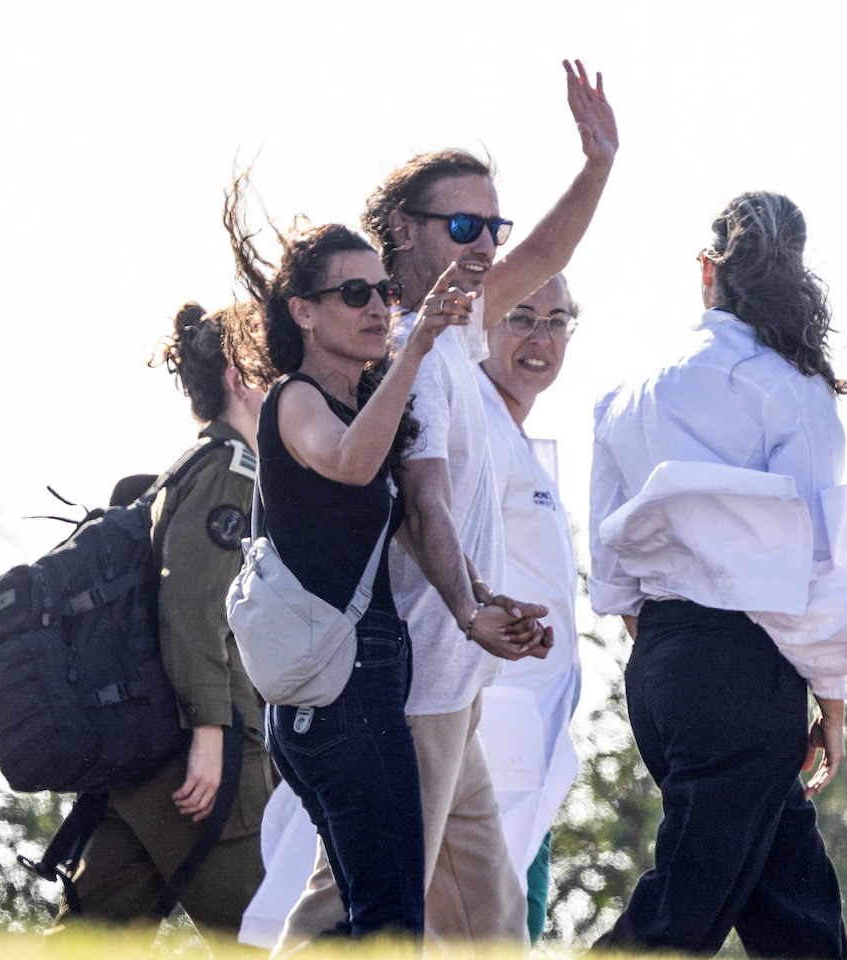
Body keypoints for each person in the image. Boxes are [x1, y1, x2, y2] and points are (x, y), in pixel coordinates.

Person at [268, 59, 618, 950]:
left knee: (489, 929)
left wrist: (598, 164)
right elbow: (421, 506)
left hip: (459, 684)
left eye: (492, 225)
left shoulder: (454, 329)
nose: (489, 245)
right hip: (415, 676)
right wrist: (468, 609)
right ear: (400, 234)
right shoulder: (399, 359)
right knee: (359, 916)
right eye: (464, 224)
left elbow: (546, 255)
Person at [222, 184, 538, 940]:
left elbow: (412, 525)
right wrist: (420, 340)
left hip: (367, 681)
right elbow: (350, 464)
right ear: (304, 311)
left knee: (387, 912)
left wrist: (481, 602)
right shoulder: (296, 402)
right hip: (337, 695)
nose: (378, 309)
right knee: (381, 915)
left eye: (385, 293)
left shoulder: (365, 403)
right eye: (355, 294)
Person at [587, 192, 847, 957]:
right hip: (745, 668)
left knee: (800, 918)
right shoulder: (791, 387)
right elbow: (818, 562)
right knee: (680, 918)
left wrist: (680, 653)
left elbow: (612, 578)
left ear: (707, 271)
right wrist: (830, 705)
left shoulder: (625, 395)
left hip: (662, 666)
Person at [52, 302, 273, 945]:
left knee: (93, 934)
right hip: (200, 751)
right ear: (237, 377)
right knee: (267, 934)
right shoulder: (232, 473)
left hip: (149, 751)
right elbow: (194, 607)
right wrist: (211, 734)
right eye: (272, 368)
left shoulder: (194, 465)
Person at [473, 274, 584, 943]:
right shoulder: (479, 427)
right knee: (488, 923)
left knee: (517, 918)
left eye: (558, 320)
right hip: (492, 719)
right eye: (520, 316)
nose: (540, 338)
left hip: (534, 728)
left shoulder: (512, 434)